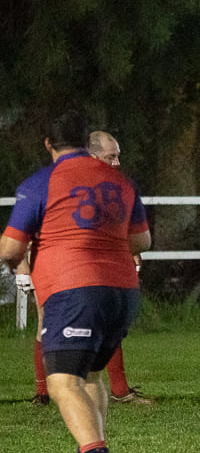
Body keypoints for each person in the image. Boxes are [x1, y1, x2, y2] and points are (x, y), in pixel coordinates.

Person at [0, 111, 150, 453]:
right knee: (90, 377)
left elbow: (12, 246)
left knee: (63, 382)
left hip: (74, 289)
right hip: (123, 292)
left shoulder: (41, 183)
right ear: (86, 141)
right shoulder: (121, 181)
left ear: (48, 144)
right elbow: (142, 242)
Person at [25, 131, 152, 406]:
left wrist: (127, 252)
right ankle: (44, 393)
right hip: (58, 265)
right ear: (92, 156)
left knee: (107, 322)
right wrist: (25, 266)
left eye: (118, 157)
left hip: (93, 268)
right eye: (111, 157)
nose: (117, 163)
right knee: (46, 323)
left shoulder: (113, 186)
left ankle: (118, 390)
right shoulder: (60, 181)